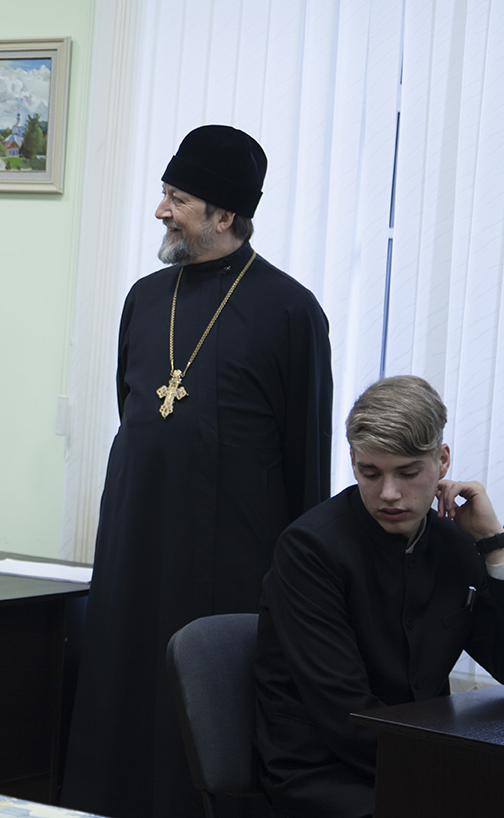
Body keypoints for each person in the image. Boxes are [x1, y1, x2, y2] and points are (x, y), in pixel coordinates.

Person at [63, 125, 333, 818]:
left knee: (202, 726)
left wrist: (300, 595)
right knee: (124, 701)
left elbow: (306, 463)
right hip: (134, 549)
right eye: (164, 193)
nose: (161, 210)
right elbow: (134, 417)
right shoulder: (145, 298)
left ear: (224, 213)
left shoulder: (291, 310)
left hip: (227, 567)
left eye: (177, 199)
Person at [254, 375, 504, 818]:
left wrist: (496, 545)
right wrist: (456, 781)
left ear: (442, 461)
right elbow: (346, 717)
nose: (389, 493)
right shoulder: (310, 550)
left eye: (408, 472)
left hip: (416, 763)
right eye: (370, 473)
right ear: (353, 461)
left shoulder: (455, 546)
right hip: (325, 774)